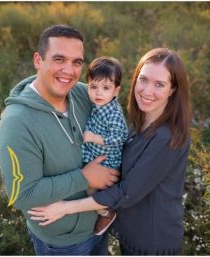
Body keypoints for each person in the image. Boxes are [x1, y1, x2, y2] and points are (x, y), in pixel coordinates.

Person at [27, 48, 192, 255]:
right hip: (133, 233)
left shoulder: (166, 138)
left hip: (151, 241)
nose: (147, 91)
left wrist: (64, 208)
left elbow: (127, 192)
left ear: (173, 89)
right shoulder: (142, 123)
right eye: (143, 80)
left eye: (159, 84)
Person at [0, 24, 120, 255]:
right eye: (59, 59)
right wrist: (84, 178)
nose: (69, 71)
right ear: (38, 60)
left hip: (99, 227)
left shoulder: (83, 93)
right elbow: (22, 195)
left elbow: (112, 116)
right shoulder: (17, 124)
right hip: (62, 243)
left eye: (76, 62)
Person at [80, 57, 128, 235]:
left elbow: (118, 138)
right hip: (95, 155)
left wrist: (93, 137)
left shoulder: (113, 114)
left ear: (116, 91)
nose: (98, 93)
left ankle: (106, 212)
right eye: (93, 87)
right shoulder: (99, 105)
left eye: (106, 88)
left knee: (90, 188)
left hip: (107, 162)